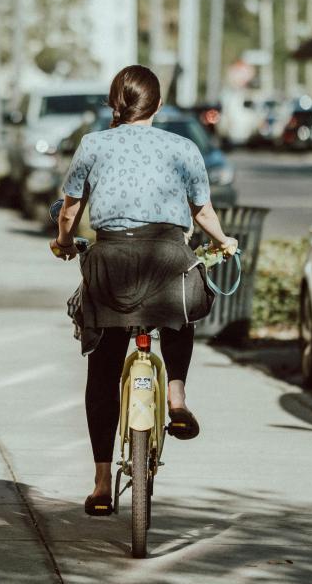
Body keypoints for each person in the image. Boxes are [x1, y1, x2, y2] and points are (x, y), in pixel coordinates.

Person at [52, 64, 238, 516]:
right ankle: (176, 395)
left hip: (111, 261)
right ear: (156, 104)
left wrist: (62, 243)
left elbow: (69, 211)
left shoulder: (93, 145)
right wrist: (223, 240)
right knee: (181, 311)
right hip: (167, 256)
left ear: (114, 103)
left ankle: (100, 485)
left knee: (103, 369)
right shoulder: (183, 147)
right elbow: (202, 211)